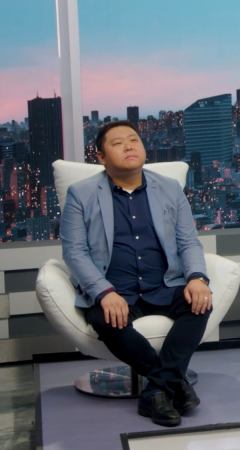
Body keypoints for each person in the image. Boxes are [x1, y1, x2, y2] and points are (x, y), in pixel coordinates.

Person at [61, 120, 213, 426]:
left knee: (199, 304)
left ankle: (157, 390)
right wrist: (104, 292)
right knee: (104, 318)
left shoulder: (169, 188)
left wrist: (197, 277)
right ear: (101, 157)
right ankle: (174, 383)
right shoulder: (81, 193)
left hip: (163, 284)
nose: (129, 146)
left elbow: (188, 242)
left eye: (133, 140)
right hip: (115, 289)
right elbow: (74, 252)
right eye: (117, 143)